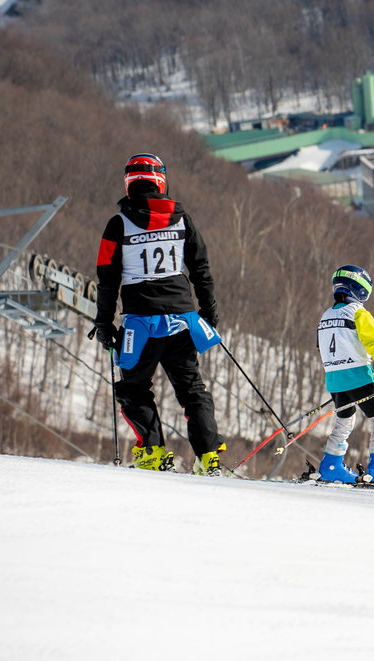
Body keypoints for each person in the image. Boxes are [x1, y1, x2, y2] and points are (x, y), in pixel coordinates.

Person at [90, 153, 223, 475]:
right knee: (192, 391)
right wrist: (209, 312)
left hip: (140, 323)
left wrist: (104, 322)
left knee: (133, 388)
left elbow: (107, 279)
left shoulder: (118, 224)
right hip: (183, 319)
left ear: (129, 183)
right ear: (161, 180)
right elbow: (201, 268)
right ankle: (209, 459)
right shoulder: (182, 219)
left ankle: (151, 453)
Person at [314, 264, 374, 485]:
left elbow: (321, 347)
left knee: (344, 420)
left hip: (335, 380)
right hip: (358, 376)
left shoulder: (325, 316)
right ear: (360, 290)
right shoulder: (359, 313)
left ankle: (331, 465)